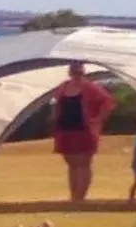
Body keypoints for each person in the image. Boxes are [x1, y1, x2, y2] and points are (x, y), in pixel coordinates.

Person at [47, 63, 114, 202]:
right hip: (65, 129)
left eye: (79, 71)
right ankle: (73, 198)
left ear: (83, 72)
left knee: (83, 164)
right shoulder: (63, 87)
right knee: (71, 164)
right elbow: (54, 102)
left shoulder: (90, 87)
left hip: (84, 130)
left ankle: (80, 198)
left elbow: (107, 102)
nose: (77, 73)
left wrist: (98, 119)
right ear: (70, 72)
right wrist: (54, 116)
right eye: (74, 70)